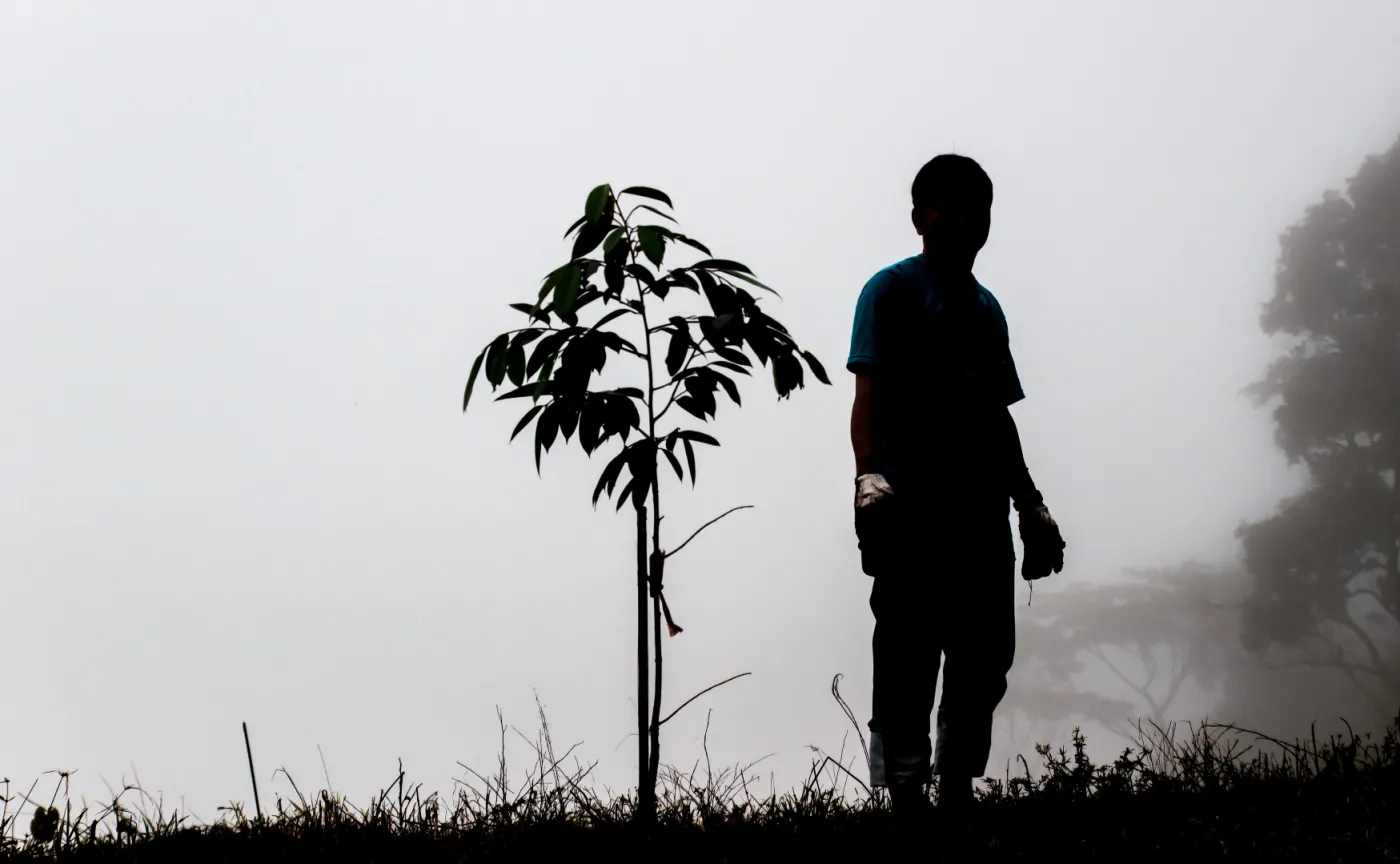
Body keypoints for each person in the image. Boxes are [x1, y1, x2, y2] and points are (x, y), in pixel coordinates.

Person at [847, 154, 1065, 819]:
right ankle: (907, 805)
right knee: (906, 659)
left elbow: (996, 416)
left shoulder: (986, 309)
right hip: (909, 510)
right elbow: (868, 396)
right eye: (945, 206)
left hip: (981, 516)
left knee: (983, 659)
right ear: (919, 217)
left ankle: (956, 793)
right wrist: (868, 479)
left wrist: (1030, 505)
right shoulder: (889, 291)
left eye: (976, 208)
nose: (962, 220)